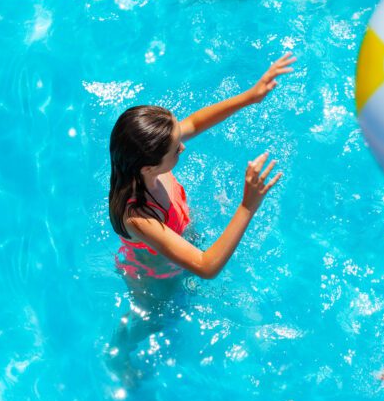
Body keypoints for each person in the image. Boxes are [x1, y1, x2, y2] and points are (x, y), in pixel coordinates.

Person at [108, 53, 294, 282]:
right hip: (156, 276)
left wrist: (250, 97)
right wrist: (248, 205)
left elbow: (194, 123)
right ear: (148, 167)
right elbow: (206, 267)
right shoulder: (139, 218)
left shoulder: (139, 161)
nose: (183, 147)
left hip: (177, 237)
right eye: (176, 149)